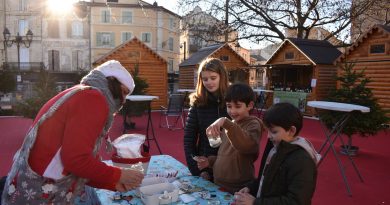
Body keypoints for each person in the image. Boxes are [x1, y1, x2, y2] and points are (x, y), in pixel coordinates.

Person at [1, 60, 144, 204]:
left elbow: (77, 165)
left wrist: (112, 183)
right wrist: (119, 175)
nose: (123, 100)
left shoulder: (80, 93)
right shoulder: (92, 99)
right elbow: (76, 160)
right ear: (111, 82)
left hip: (27, 189)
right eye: (124, 92)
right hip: (39, 194)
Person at [234, 102, 321, 205]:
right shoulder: (275, 147)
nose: (268, 136)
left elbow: (297, 201)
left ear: (291, 130)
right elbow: (266, 178)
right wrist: (250, 187)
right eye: (268, 131)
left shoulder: (302, 161)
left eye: (274, 132)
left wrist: (256, 202)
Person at [196, 83, 262, 194]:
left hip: (239, 187)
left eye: (238, 106)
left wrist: (225, 122)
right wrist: (210, 162)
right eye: (229, 106)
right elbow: (224, 155)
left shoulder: (253, 124)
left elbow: (246, 145)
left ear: (250, 105)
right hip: (219, 183)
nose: (232, 111)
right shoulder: (230, 125)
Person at [183, 58, 229, 180]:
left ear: (222, 77)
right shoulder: (198, 103)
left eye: (213, 78)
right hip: (205, 168)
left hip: (229, 168)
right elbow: (189, 140)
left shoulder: (232, 101)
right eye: (205, 79)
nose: (209, 82)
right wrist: (197, 170)